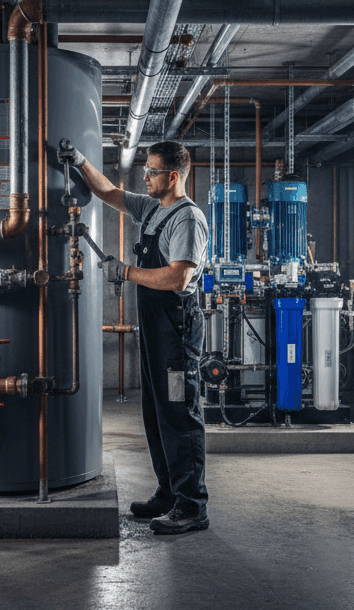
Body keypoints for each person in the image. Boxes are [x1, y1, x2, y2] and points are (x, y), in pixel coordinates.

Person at [59, 138, 210, 535]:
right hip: (157, 328)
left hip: (176, 330)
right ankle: (169, 492)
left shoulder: (186, 219)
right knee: (157, 412)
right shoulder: (153, 208)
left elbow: (179, 276)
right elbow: (109, 192)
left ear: (173, 176)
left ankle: (192, 505)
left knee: (179, 413)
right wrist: (79, 161)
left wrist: (125, 272)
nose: (145, 176)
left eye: (152, 171)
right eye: (146, 170)